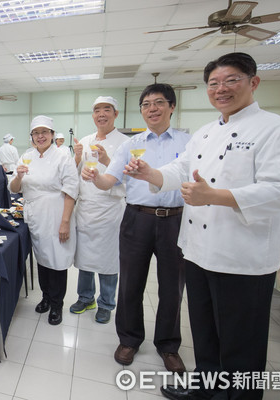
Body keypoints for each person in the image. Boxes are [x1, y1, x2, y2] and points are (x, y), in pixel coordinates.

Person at [123, 53, 280, 400]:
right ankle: (204, 391)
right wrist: (150, 174)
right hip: (198, 253)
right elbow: (178, 170)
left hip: (242, 258)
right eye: (214, 83)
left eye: (231, 80)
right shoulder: (203, 134)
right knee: (204, 334)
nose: (221, 89)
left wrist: (214, 195)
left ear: (253, 82)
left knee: (240, 345)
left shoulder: (274, 128)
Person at [81, 84, 190, 374]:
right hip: (137, 218)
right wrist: (93, 177)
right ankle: (129, 339)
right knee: (130, 284)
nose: (151, 109)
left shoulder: (189, 142)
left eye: (158, 103)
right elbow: (110, 181)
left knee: (171, 287)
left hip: (175, 220)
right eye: (145, 104)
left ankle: (168, 346)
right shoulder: (132, 144)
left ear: (171, 106)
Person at [9, 115, 78, 325]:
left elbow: (71, 190)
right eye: (36, 133)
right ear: (32, 136)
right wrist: (19, 177)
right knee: (42, 259)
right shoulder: (26, 156)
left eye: (44, 132)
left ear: (52, 135)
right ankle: (46, 297)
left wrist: (65, 221)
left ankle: (57, 304)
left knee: (57, 261)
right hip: (35, 215)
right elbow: (13, 188)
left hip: (56, 213)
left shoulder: (63, 156)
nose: (40, 136)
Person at [69, 96, 129, 324]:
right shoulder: (85, 140)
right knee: (84, 257)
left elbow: (129, 180)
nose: (101, 114)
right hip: (85, 209)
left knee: (108, 260)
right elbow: (74, 175)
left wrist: (106, 159)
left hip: (110, 209)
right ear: (93, 115)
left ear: (115, 114)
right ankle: (85, 298)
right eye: (97, 110)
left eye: (106, 110)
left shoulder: (125, 143)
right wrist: (76, 159)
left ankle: (106, 303)